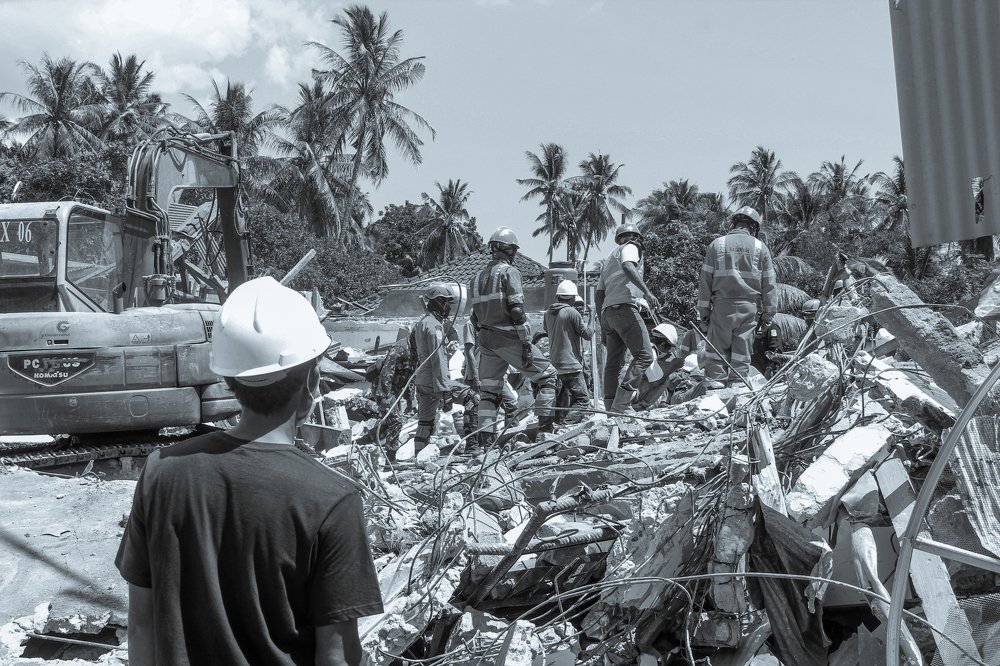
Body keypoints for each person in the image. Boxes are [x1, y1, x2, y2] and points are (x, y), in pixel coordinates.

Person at [116, 276, 383, 665]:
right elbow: (337, 656)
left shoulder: (160, 473)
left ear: (229, 379)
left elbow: (141, 625)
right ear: (312, 379)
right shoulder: (332, 500)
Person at [470, 227, 557, 447]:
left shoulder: (476, 278)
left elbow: (473, 317)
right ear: (509, 249)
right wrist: (525, 342)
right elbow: (516, 311)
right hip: (508, 336)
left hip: (486, 340)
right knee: (547, 376)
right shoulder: (510, 272)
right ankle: (545, 429)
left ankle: (485, 442)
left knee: (489, 390)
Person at [697, 206, 777, 388]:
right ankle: (737, 385)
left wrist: (704, 312)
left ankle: (715, 385)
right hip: (748, 307)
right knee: (742, 351)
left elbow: (705, 280)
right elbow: (769, 284)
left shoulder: (717, 244)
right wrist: (768, 314)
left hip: (721, 307)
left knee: (717, 349)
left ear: (734, 223)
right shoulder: (760, 247)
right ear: (754, 227)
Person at [595, 222, 661, 413]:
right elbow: (628, 266)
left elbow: (599, 294)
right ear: (636, 237)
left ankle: (610, 406)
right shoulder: (631, 247)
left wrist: (603, 324)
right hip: (624, 308)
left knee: (614, 362)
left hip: (608, 313)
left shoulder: (608, 259)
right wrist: (647, 292)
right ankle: (622, 405)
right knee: (645, 355)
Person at [411, 283, 457, 456]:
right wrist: (445, 390)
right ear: (438, 302)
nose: (449, 308)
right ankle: (473, 448)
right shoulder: (434, 326)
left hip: (422, 380)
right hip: (433, 381)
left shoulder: (423, 323)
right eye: (447, 303)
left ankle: (419, 456)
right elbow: (437, 360)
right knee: (472, 398)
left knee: (425, 422)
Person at [544, 279, 593, 422]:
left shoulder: (548, 313)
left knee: (559, 403)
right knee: (583, 400)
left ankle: (555, 427)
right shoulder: (571, 312)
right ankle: (566, 426)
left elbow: (547, 331)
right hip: (571, 365)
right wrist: (591, 317)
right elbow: (588, 335)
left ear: (557, 296)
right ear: (572, 298)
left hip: (555, 365)